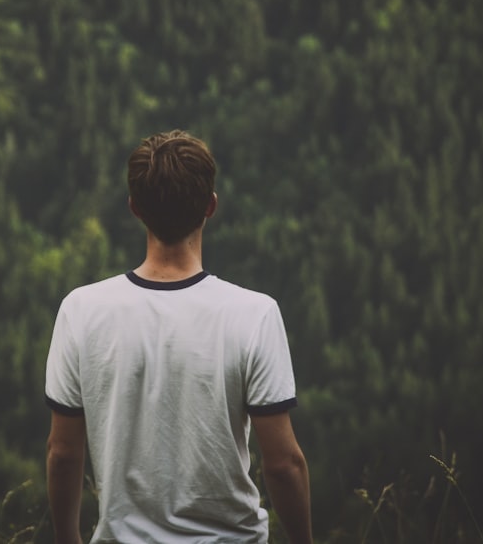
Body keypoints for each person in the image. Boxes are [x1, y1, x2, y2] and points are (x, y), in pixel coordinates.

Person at [45, 130, 312, 544]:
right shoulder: (255, 315)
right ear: (211, 206)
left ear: (135, 208)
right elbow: (283, 465)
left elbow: (62, 454)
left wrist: (68, 539)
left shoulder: (81, 311)